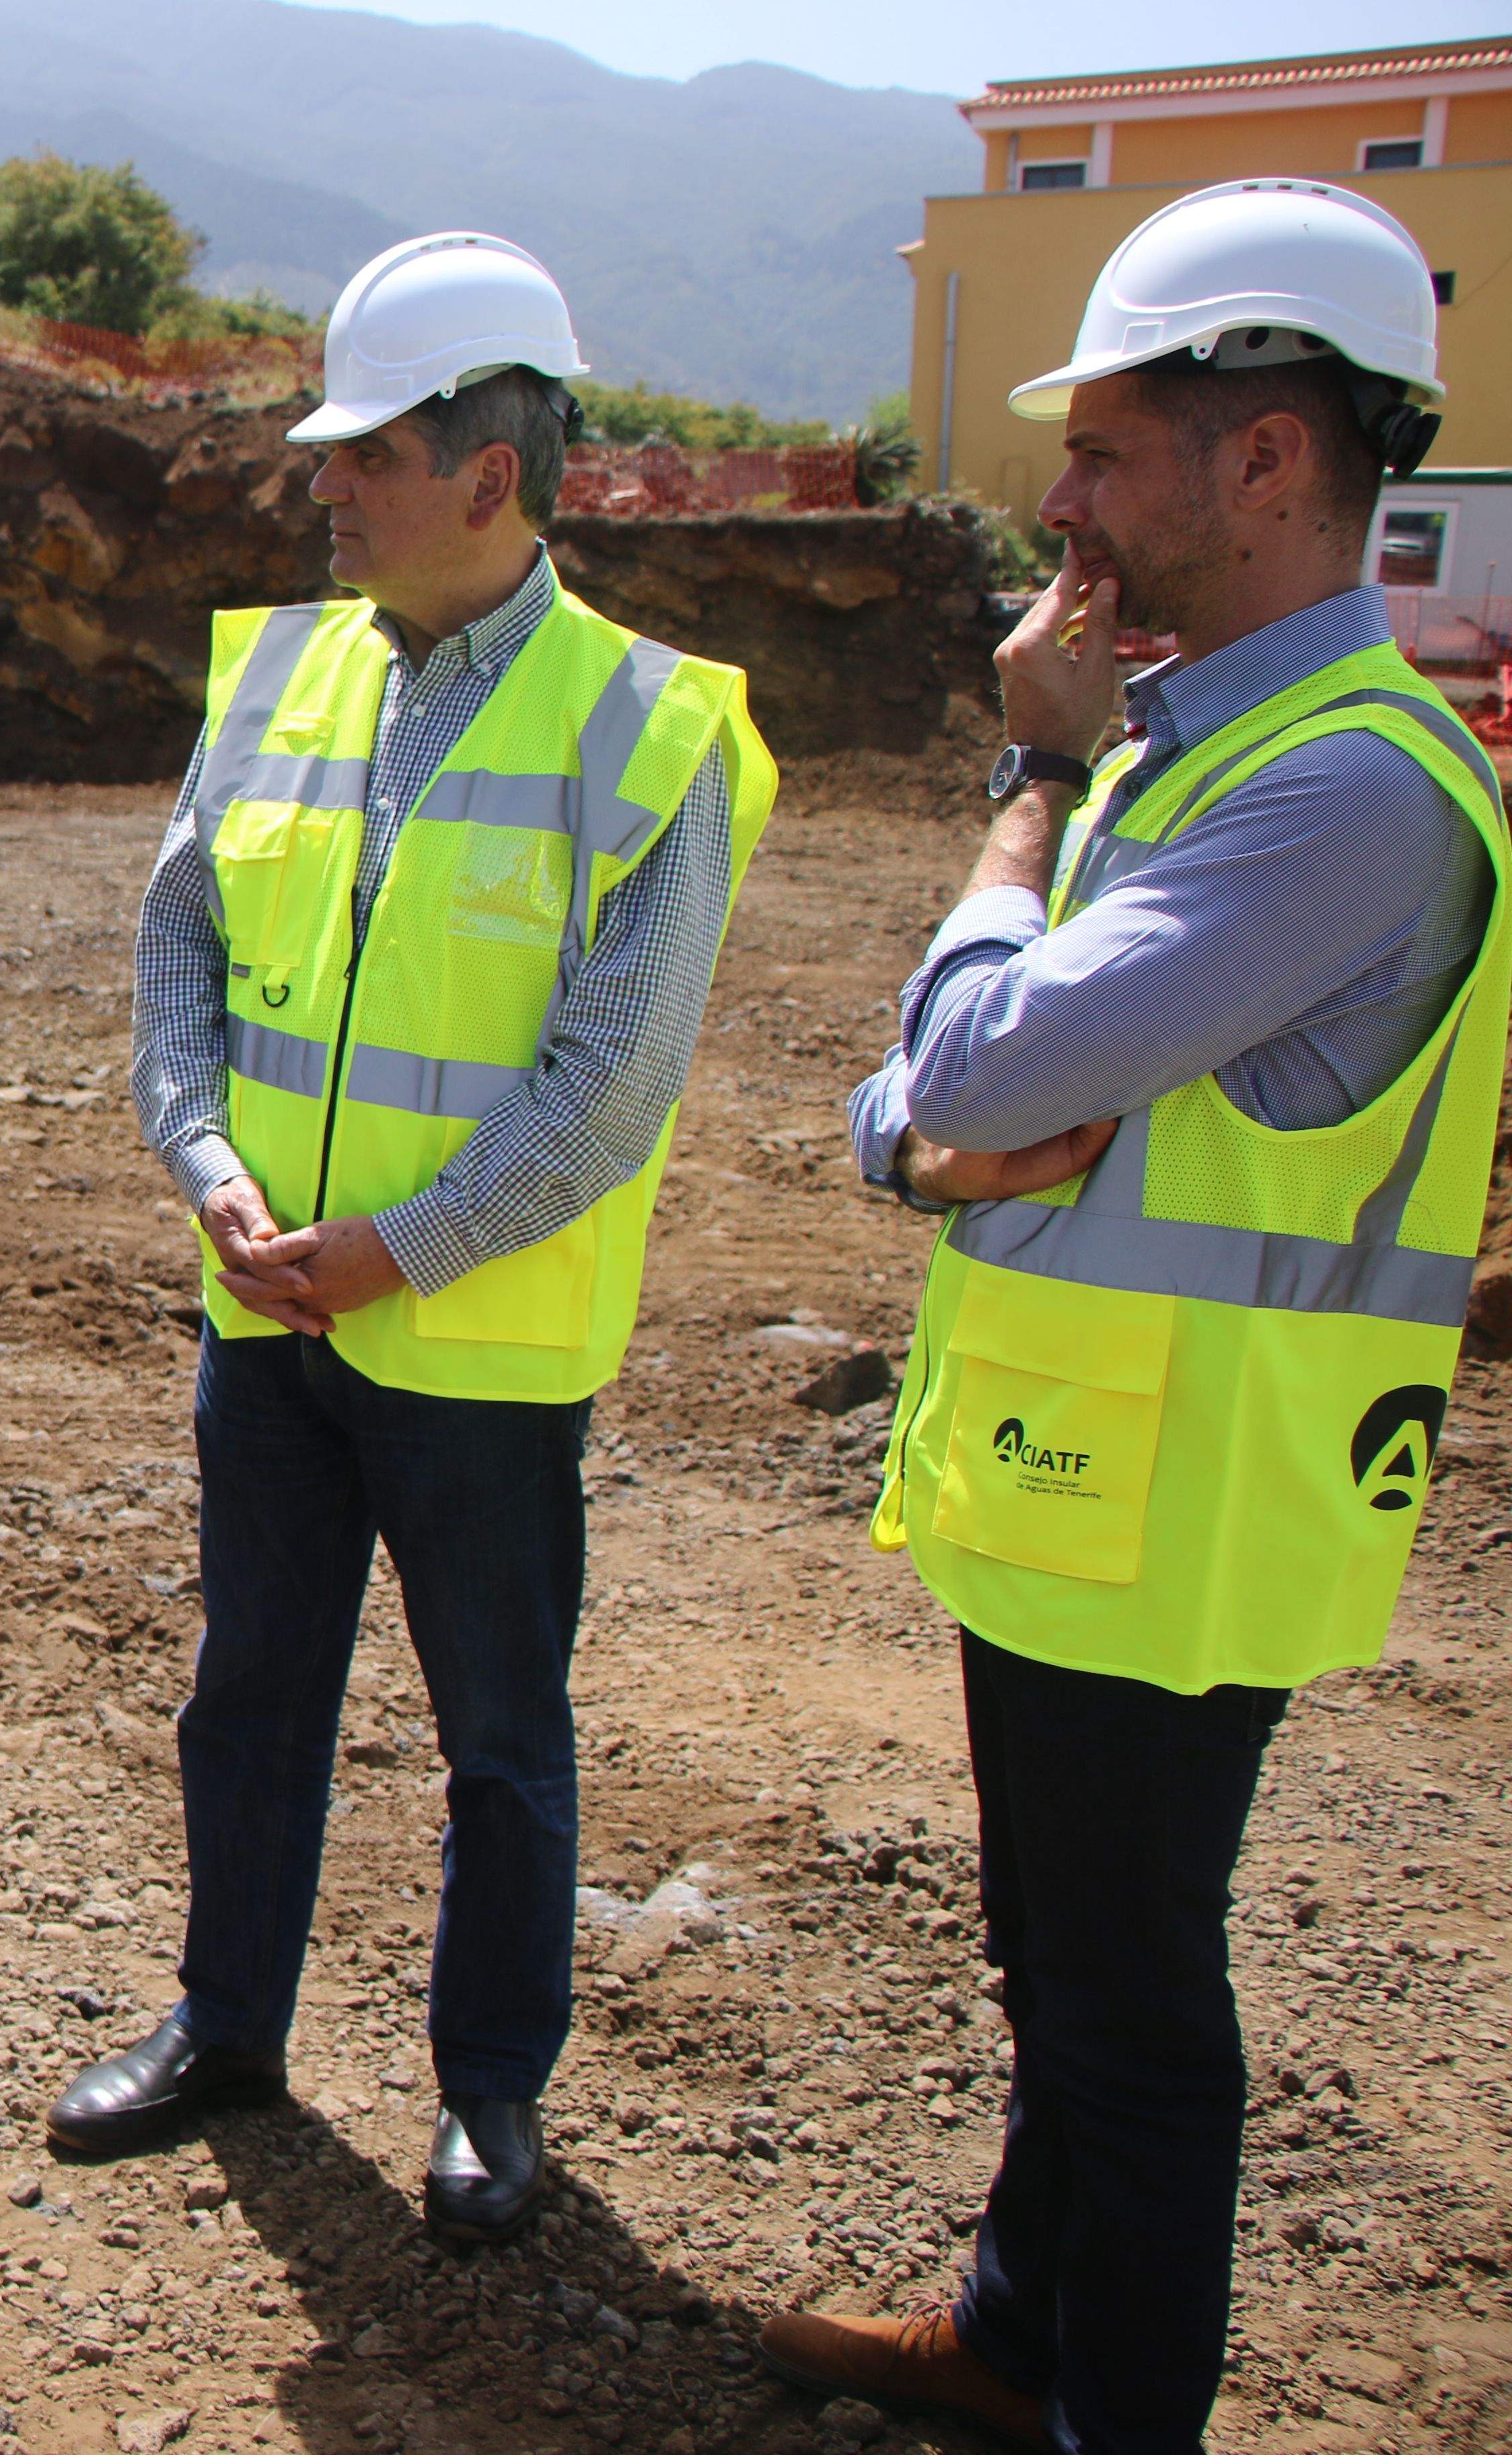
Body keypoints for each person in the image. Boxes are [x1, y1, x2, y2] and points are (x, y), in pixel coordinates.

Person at [767, 180, 1503, 2455]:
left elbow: (974, 1076)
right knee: (1071, 1975)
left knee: (1127, 2018)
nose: (1058, 499)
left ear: (1266, 459)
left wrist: (1026, 785)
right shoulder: (1211, 745)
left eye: (1101, 449)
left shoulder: (1349, 791)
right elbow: (936, 1116)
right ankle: (1014, 2330)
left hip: (1192, 1499)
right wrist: (929, 1125)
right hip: (1096, 1477)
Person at [48, 232, 777, 2242]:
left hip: (474, 1348)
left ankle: (489, 2097)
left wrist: (410, 1247)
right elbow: (179, 942)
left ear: (491, 472)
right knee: (248, 1690)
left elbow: (605, 1096)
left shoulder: (652, 731)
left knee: (500, 1740)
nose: (327, 483)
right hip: (265, 1310)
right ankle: (226, 2026)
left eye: (366, 448)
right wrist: (201, 1157)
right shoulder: (280, 669)